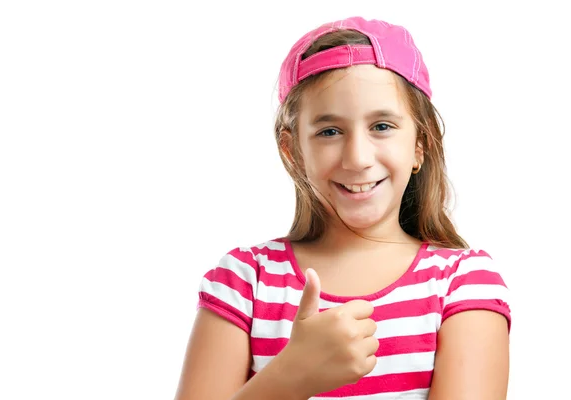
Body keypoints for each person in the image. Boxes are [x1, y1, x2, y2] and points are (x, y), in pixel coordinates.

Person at [174, 16, 511, 400]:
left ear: (420, 143)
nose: (357, 158)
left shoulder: (461, 284)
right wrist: (288, 377)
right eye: (329, 131)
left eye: (382, 126)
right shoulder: (244, 284)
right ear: (293, 151)